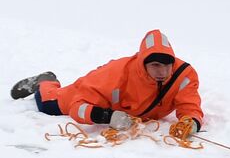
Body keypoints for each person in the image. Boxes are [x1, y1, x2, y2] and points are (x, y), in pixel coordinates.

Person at [10, 29, 203, 141]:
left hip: (126, 110)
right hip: (83, 93)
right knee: (49, 105)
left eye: (167, 65)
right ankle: (45, 81)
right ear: (143, 63)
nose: (162, 71)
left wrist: (191, 122)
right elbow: (78, 107)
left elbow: (189, 105)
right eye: (155, 65)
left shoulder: (183, 75)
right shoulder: (117, 73)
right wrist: (108, 116)